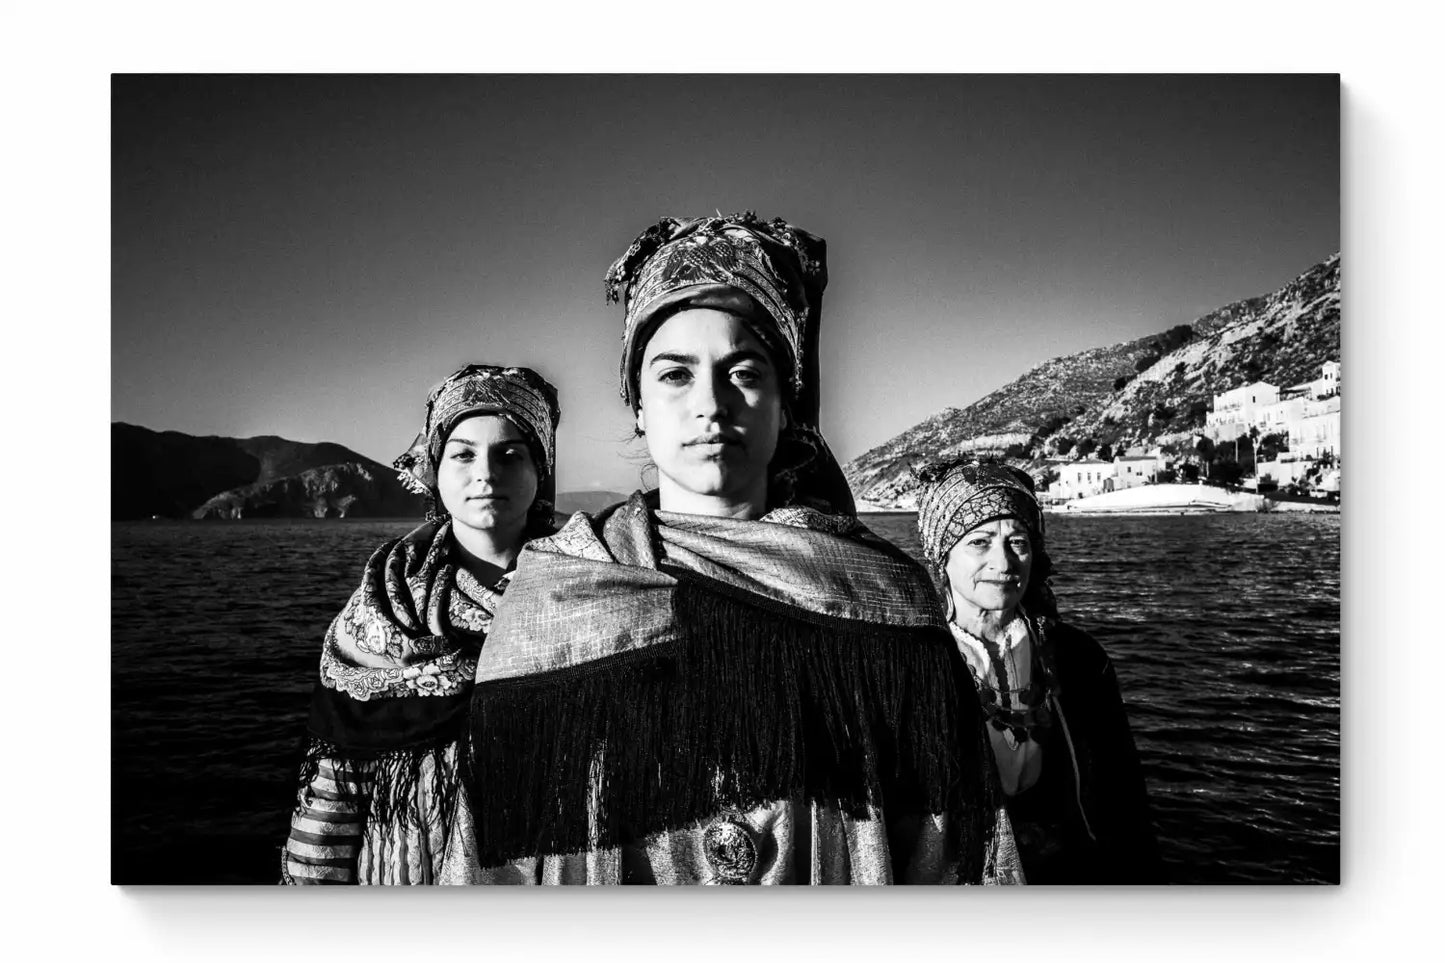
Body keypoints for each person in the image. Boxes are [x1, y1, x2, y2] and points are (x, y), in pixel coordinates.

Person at [440, 212, 1017, 885]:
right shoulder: (557, 594)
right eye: (675, 376)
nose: (709, 404)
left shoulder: (884, 602)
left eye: (743, 372)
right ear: (637, 405)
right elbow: (499, 851)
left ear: (785, 398)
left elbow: (950, 851)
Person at [281, 363, 561, 884]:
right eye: (462, 454)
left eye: (509, 454)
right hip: (409, 862)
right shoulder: (383, 607)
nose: (486, 473)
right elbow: (336, 779)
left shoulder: (589, 584)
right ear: (435, 469)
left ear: (539, 470)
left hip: (559, 856)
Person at [914, 460, 1165, 883]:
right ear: (943, 555)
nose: (1004, 562)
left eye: (1018, 542)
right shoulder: (914, 662)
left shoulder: (1077, 656)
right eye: (979, 543)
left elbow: (1123, 792)